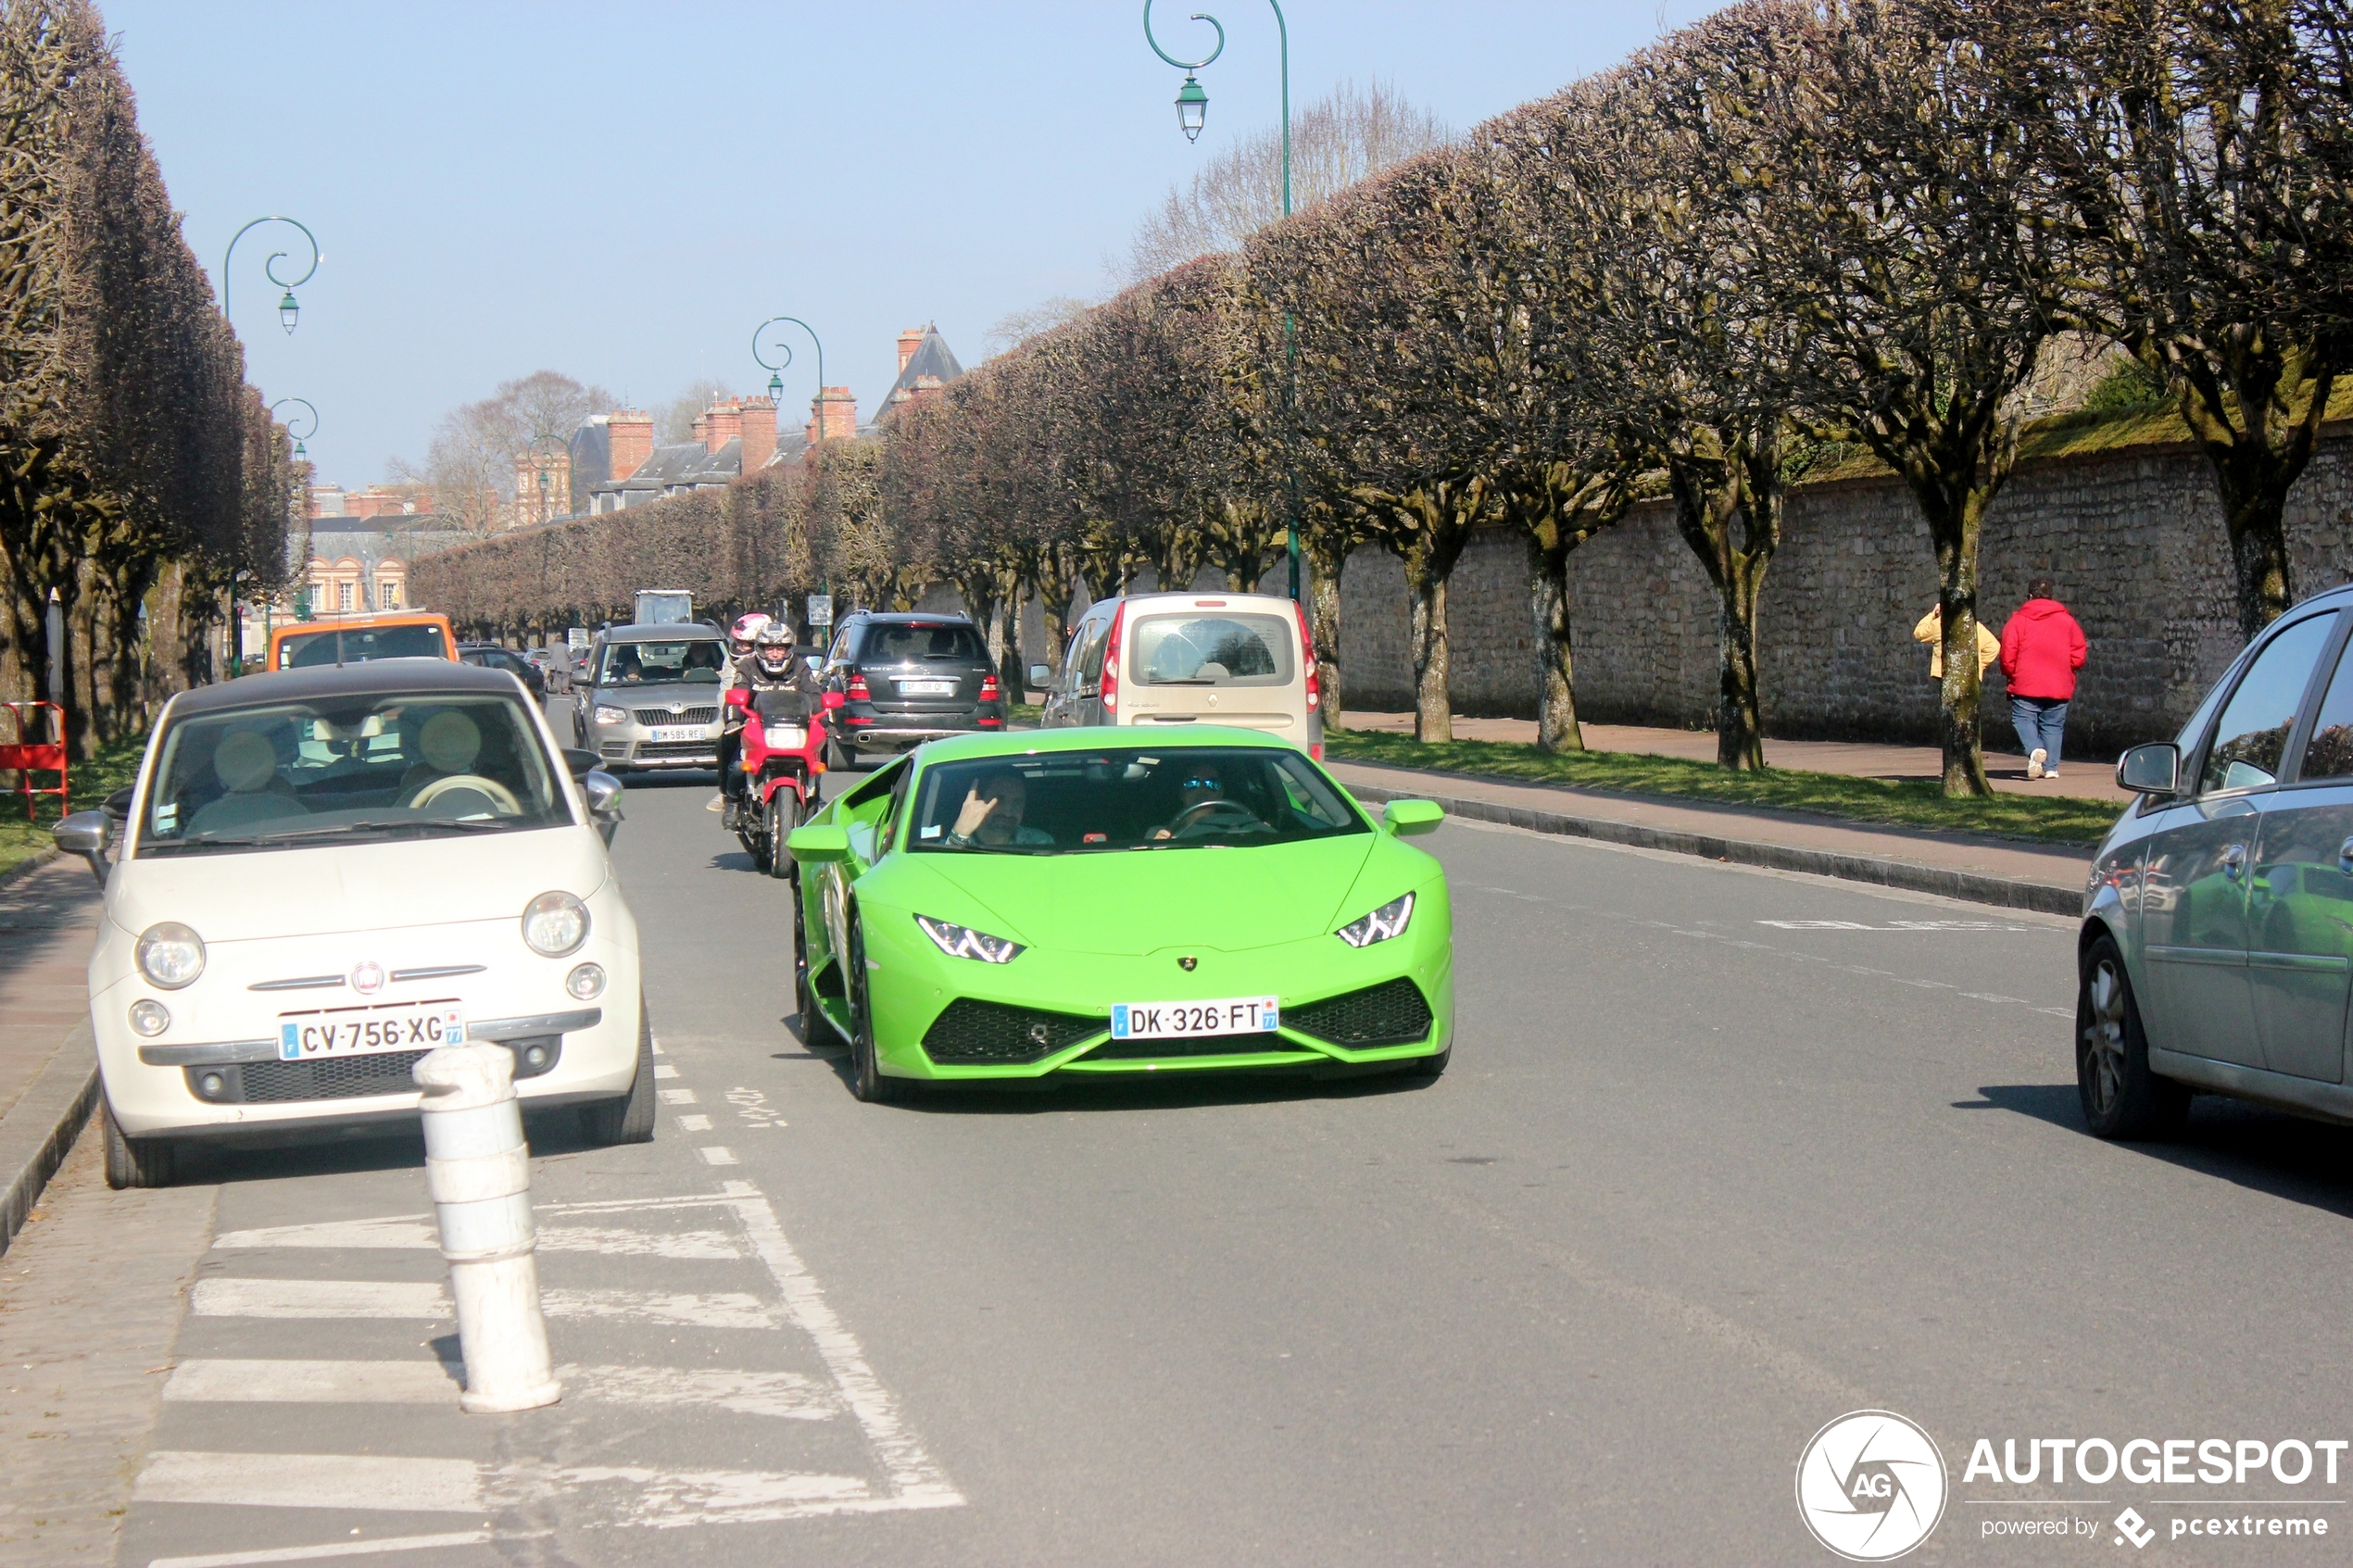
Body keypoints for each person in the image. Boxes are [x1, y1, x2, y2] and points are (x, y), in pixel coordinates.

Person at [714, 620, 822, 824]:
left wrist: (825, 719)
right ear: (760, 649)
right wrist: (734, 719)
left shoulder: (800, 667)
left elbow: (815, 695)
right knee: (735, 761)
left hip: (794, 731)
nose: (774, 654)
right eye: (769, 648)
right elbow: (736, 694)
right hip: (756, 728)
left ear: (789, 649)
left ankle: (814, 797)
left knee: (817, 758)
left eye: (780, 649)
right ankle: (733, 800)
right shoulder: (748, 666)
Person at [2001, 576, 2089, 779]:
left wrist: (2011, 672)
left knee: (2023, 718)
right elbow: (2078, 652)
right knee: (2053, 725)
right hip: (2059, 683)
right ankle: (2051, 768)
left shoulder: (2018, 621)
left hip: (2026, 682)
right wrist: (2068, 667)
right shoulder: (2067, 621)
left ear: (2029, 596)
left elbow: (2008, 653)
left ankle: (2034, 749)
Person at [947, 768, 1053, 847]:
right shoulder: (934, 844)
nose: (1008, 812)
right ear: (978, 801)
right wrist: (960, 833)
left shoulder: (1040, 842)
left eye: (1017, 802)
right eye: (999, 800)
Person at [1911, 601, 2000, 687]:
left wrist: (1933, 613)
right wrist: (1977, 665)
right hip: (1970, 674)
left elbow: (1919, 632)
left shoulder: (1940, 624)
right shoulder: (1974, 626)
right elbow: (1994, 647)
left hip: (1946, 673)